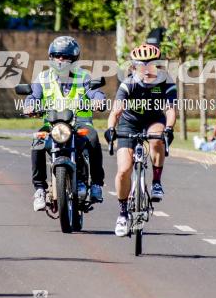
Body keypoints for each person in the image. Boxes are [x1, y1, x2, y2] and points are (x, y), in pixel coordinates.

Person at [24, 36, 106, 211]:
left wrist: (99, 100)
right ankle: (40, 189)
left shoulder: (84, 76)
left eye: (66, 56)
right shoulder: (43, 77)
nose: (61, 60)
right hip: (53, 125)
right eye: (57, 56)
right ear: (51, 57)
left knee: (92, 138)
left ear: (74, 59)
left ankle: (97, 184)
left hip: (79, 124)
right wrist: (29, 106)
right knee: (37, 142)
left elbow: (95, 92)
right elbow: (33, 96)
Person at [105, 44, 176, 237]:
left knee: (157, 139)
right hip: (129, 123)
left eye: (151, 65)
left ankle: (157, 182)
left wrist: (169, 128)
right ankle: (122, 214)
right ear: (134, 66)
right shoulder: (128, 84)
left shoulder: (166, 82)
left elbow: (170, 110)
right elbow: (116, 110)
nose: (146, 69)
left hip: (154, 120)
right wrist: (111, 129)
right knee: (123, 171)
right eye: (141, 65)